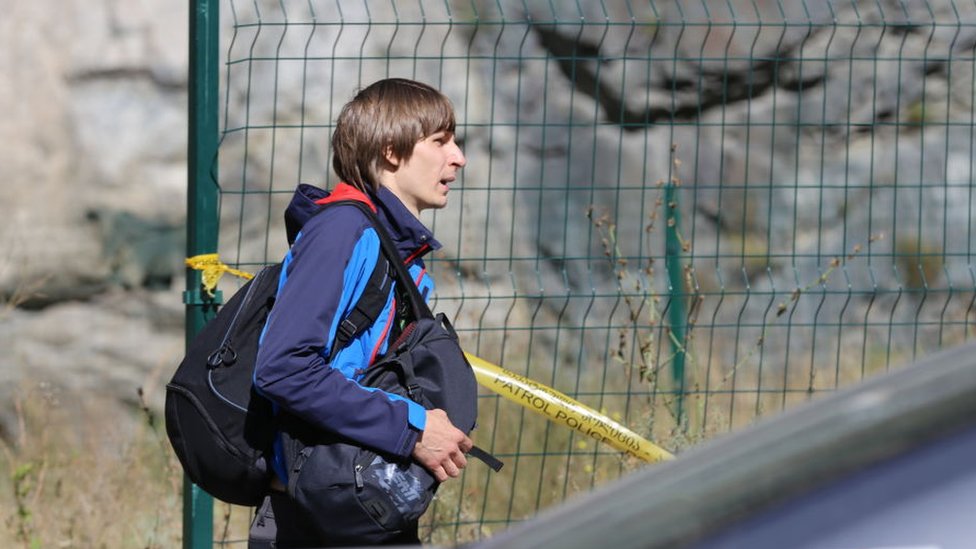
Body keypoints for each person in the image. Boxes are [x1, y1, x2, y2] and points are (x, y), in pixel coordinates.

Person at [248, 78, 472, 547]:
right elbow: (283, 369)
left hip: (351, 500)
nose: (458, 157)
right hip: (310, 515)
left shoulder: (392, 247)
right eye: (440, 141)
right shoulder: (342, 232)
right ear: (392, 152)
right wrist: (411, 428)